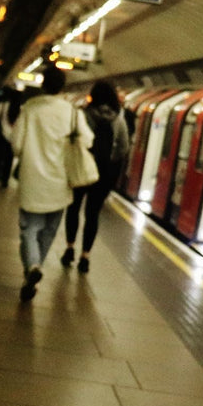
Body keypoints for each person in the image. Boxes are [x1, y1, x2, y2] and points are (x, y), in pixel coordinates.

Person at [8, 67, 91, 302]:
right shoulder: (73, 113)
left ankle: (33, 268)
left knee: (29, 230)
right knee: (48, 233)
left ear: (43, 85)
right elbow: (87, 140)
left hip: (32, 181)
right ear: (62, 88)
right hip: (60, 183)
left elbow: (16, 145)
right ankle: (33, 271)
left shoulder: (30, 109)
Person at [60, 80, 130, 273]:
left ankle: (69, 248)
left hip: (81, 168)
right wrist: (108, 160)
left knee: (73, 209)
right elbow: (124, 148)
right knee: (92, 214)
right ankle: (85, 257)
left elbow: (72, 140)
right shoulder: (118, 119)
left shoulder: (83, 115)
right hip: (103, 174)